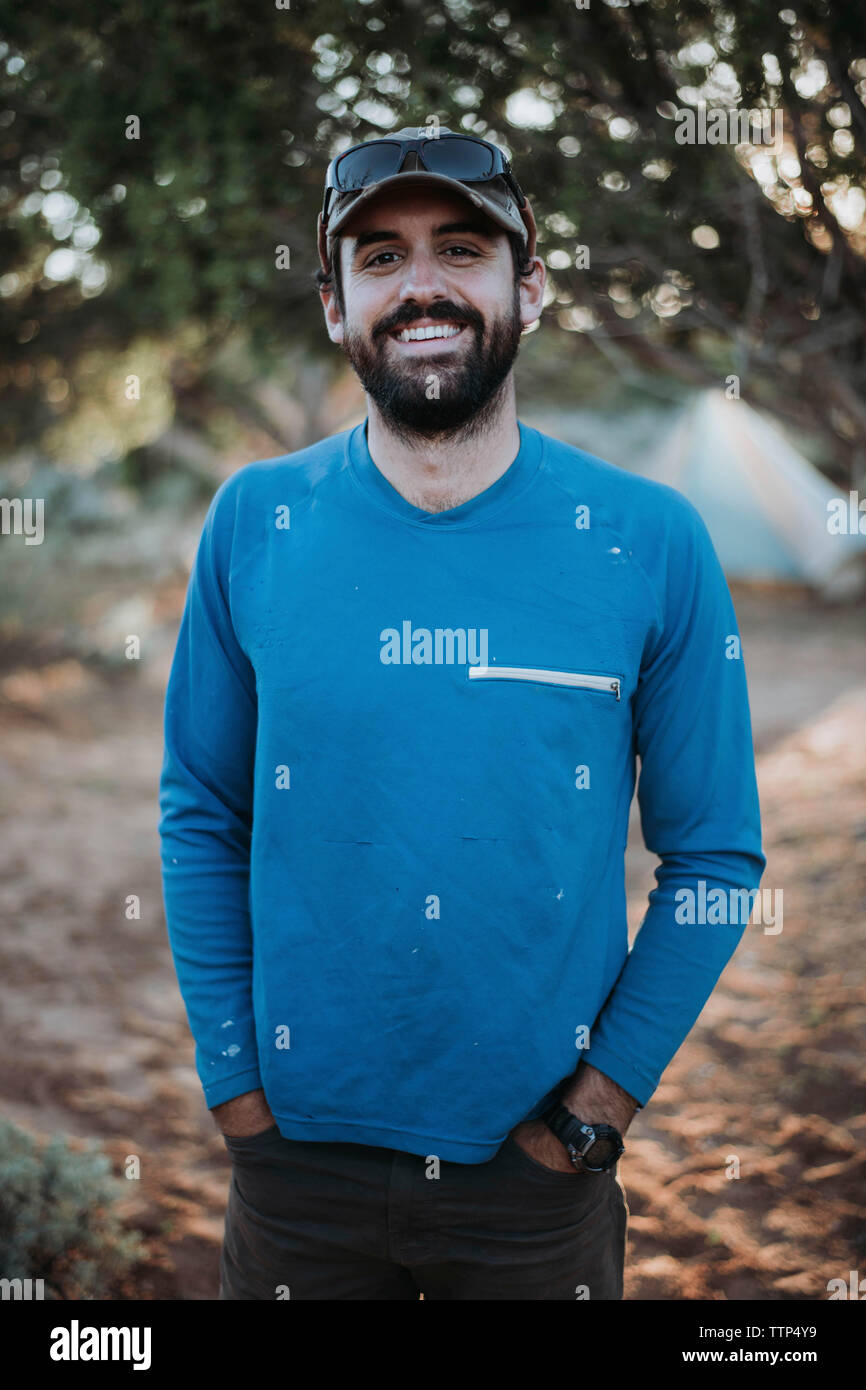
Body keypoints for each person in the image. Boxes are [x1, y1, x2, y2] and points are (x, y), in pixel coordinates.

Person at [158, 125, 766, 1300]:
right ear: (335, 307)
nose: (422, 284)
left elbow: (714, 858)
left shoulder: (649, 541)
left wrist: (592, 1117)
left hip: (535, 1182)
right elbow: (202, 814)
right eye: (379, 258)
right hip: (297, 1172)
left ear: (526, 287)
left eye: (463, 248)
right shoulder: (254, 522)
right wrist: (237, 1088)